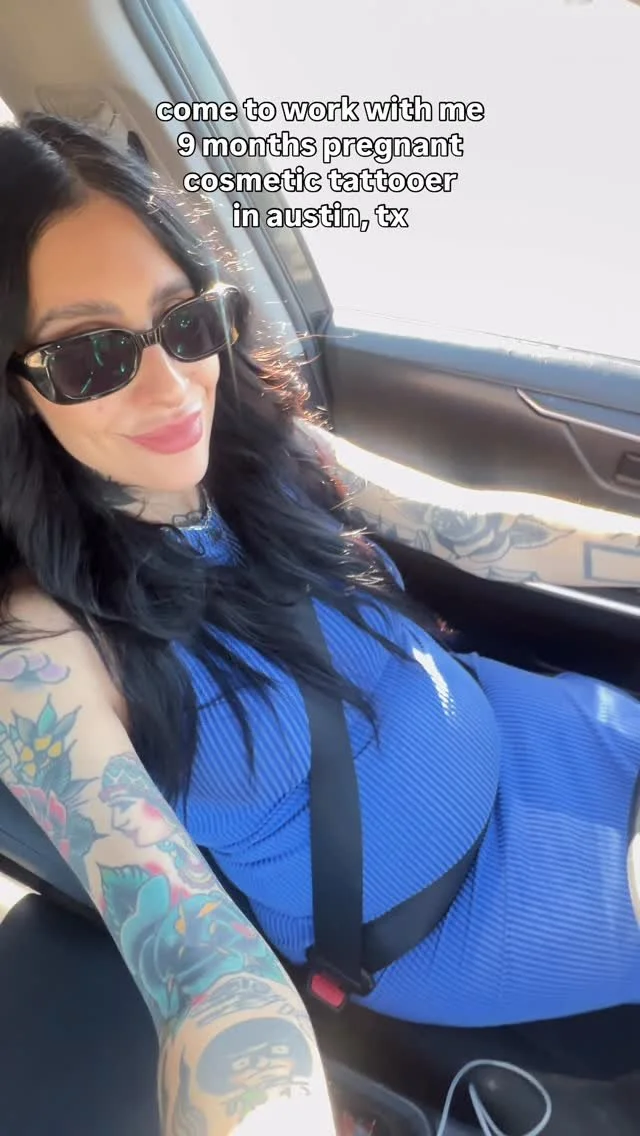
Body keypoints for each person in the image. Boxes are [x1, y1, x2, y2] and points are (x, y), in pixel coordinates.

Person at [1, 111, 640, 1128]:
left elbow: (475, 527)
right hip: (485, 910)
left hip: (567, 741)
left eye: (185, 322)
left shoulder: (261, 450)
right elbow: (200, 967)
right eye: (89, 357)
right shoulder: (39, 652)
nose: (173, 386)